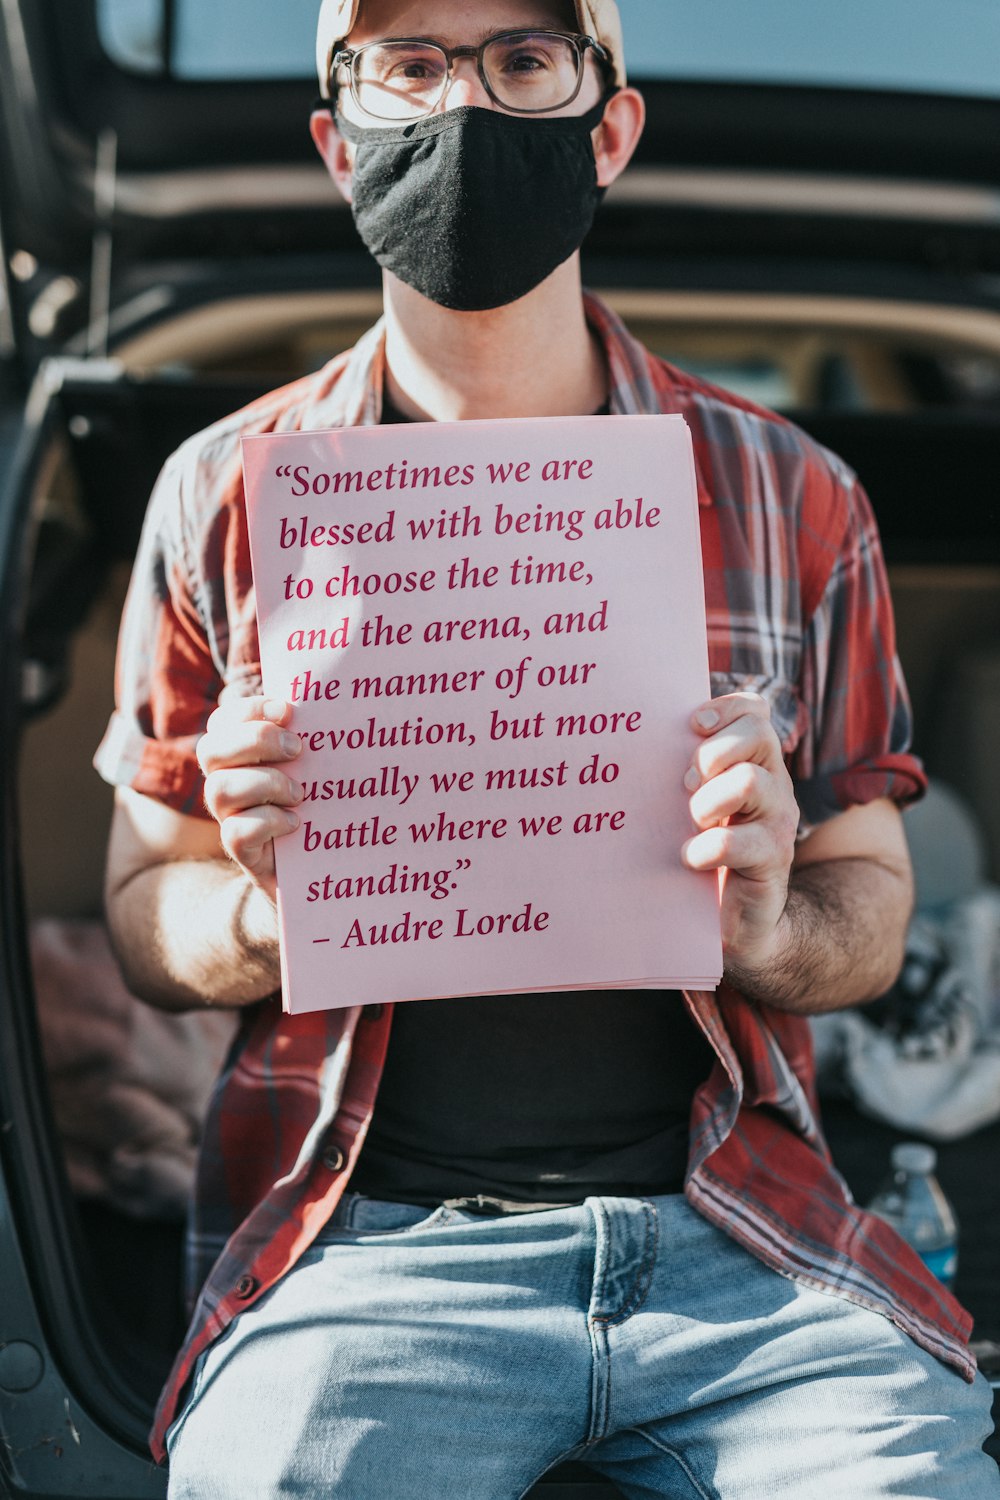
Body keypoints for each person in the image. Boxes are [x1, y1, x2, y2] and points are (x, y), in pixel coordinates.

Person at [95, 1, 1000, 1495]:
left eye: (523, 60)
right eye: (409, 66)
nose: (463, 108)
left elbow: (872, 909)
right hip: (363, 1263)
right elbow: (144, 913)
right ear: (341, 142)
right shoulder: (223, 500)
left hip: (746, 1249)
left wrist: (769, 924)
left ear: (611, 124)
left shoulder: (796, 494)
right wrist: (268, 902)